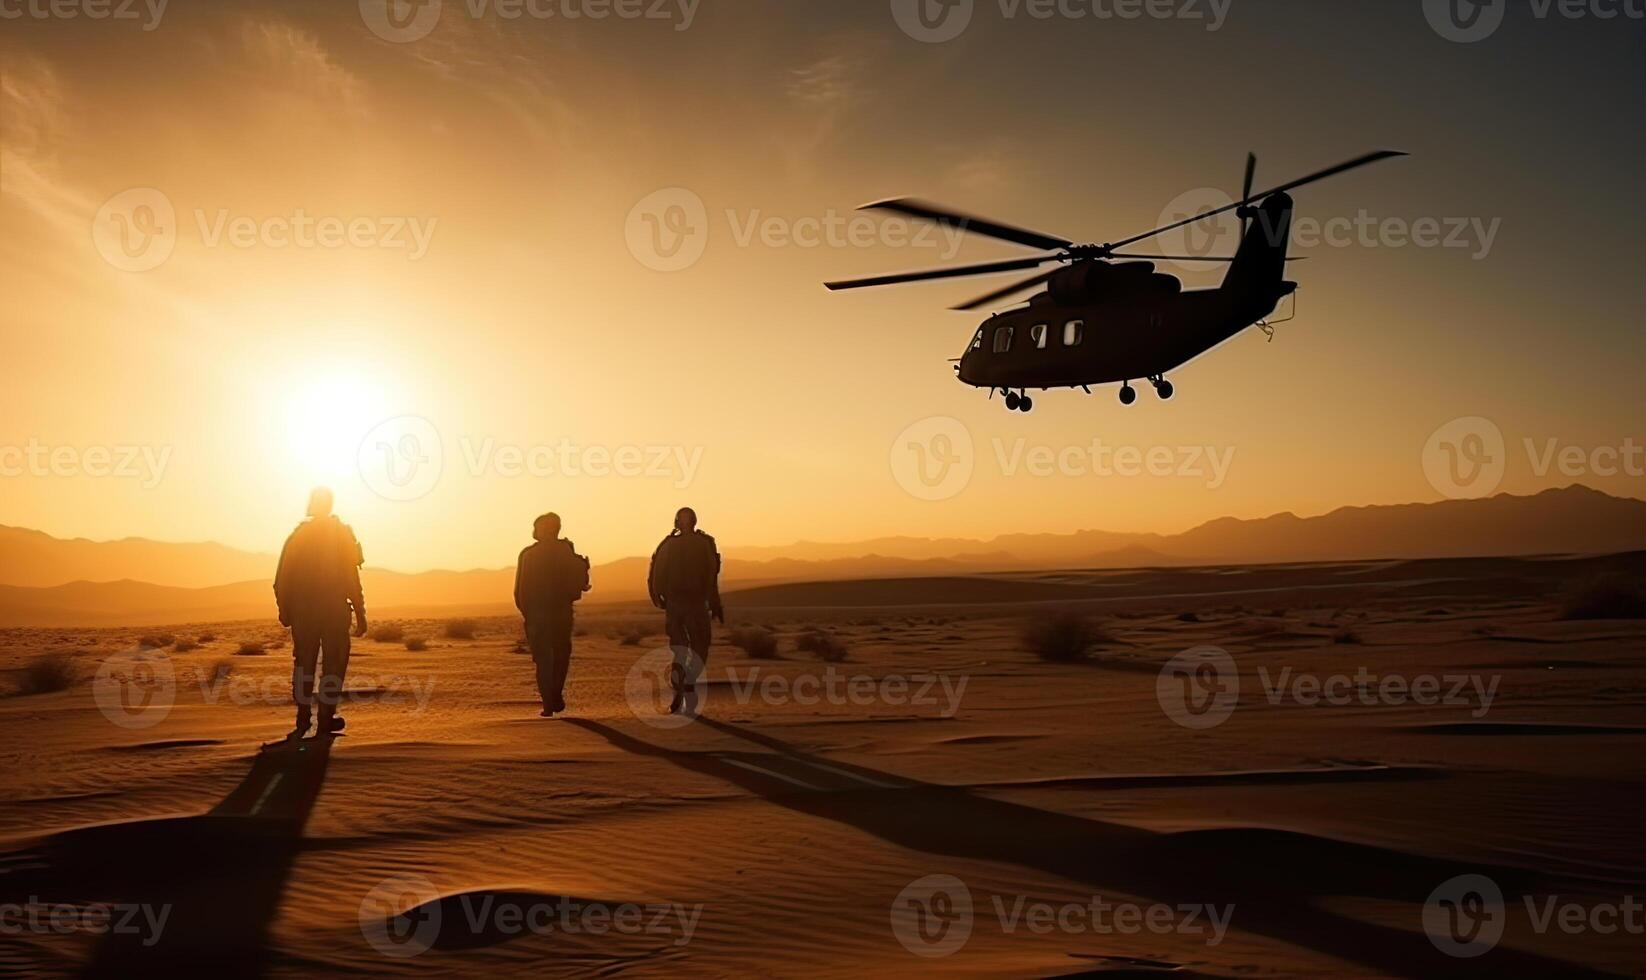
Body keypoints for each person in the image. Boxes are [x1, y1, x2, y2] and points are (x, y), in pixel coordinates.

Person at [273, 487, 366, 739]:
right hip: (332, 611)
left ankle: (306, 716)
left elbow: (282, 578)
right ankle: (323, 717)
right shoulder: (340, 534)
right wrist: (360, 610)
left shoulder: (298, 536)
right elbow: (351, 577)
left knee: (305, 664)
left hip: (308, 613)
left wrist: (286, 609)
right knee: (332, 665)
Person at [648, 507, 723, 713]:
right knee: (690, 648)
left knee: (689, 649)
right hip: (685, 603)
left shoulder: (679, 544)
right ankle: (683, 686)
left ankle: (684, 685)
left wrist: (714, 602)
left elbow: (710, 575)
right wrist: (659, 595)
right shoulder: (692, 544)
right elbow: (658, 574)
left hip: (688, 602)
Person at [514, 512, 589, 717]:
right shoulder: (566, 550)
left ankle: (549, 701)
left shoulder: (528, 554)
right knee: (559, 657)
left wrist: (528, 613)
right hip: (561, 613)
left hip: (539, 615)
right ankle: (554, 695)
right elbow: (580, 583)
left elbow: (519, 590)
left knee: (545, 660)